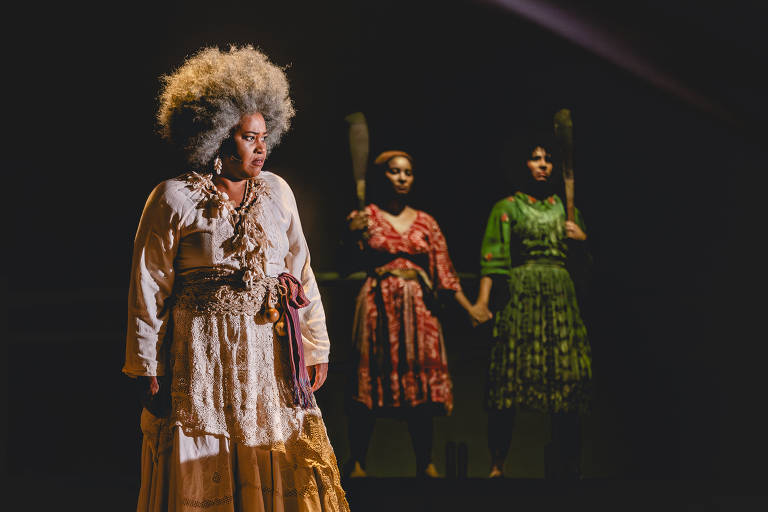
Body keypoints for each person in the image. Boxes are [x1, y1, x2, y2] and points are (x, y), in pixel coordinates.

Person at [123, 45, 349, 511]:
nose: (261, 147)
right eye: (249, 137)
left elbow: (300, 270)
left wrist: (317, 344)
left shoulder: (278, 192)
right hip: (203, 352)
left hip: (268, 350)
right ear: (217, 136)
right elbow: (149, 286)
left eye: (265, 136)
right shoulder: (174, 198)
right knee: (208, 451)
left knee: (273, 448)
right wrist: (147, 363)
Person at [344, 150, 489, 478]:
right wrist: (351, 234)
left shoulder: (425, 222)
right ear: (383, 176)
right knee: (369, 380)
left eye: (407, 172)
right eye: (395, 172)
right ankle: (358, 462)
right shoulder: (366, 216)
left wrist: (471, 308)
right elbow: (346, 263)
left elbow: (444, 271)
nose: (402, 178)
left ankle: (426, 463)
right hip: (378, 304)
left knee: (419, 384)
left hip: (419, 309)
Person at [473, 132, 592, 480]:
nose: (543, 165)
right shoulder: (508, 207)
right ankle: (498, 464)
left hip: (560, 299)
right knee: (508, 380)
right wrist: (482, 301)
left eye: (548, 159)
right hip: (521, 296)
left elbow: (586, 267)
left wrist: (581, 240)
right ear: (523, 164)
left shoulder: (567, 210)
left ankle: (567, 464)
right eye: (536, 158)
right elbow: (492, 258)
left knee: (567, 381)